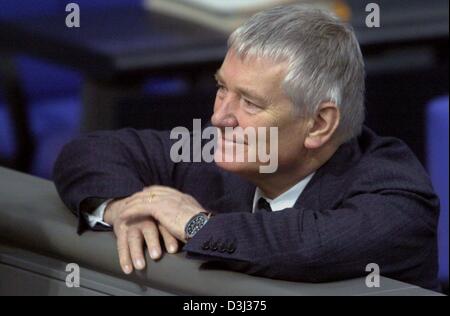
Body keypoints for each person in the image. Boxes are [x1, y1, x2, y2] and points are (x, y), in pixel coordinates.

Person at [53, 5, 439, 290]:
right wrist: (123, 208)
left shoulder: (397, 191)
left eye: (250, 103)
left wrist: (195, 223)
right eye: (222, 88)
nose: (220, 117)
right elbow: (90, 152)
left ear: (319, 124)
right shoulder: (214, 155)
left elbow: (307, 245)